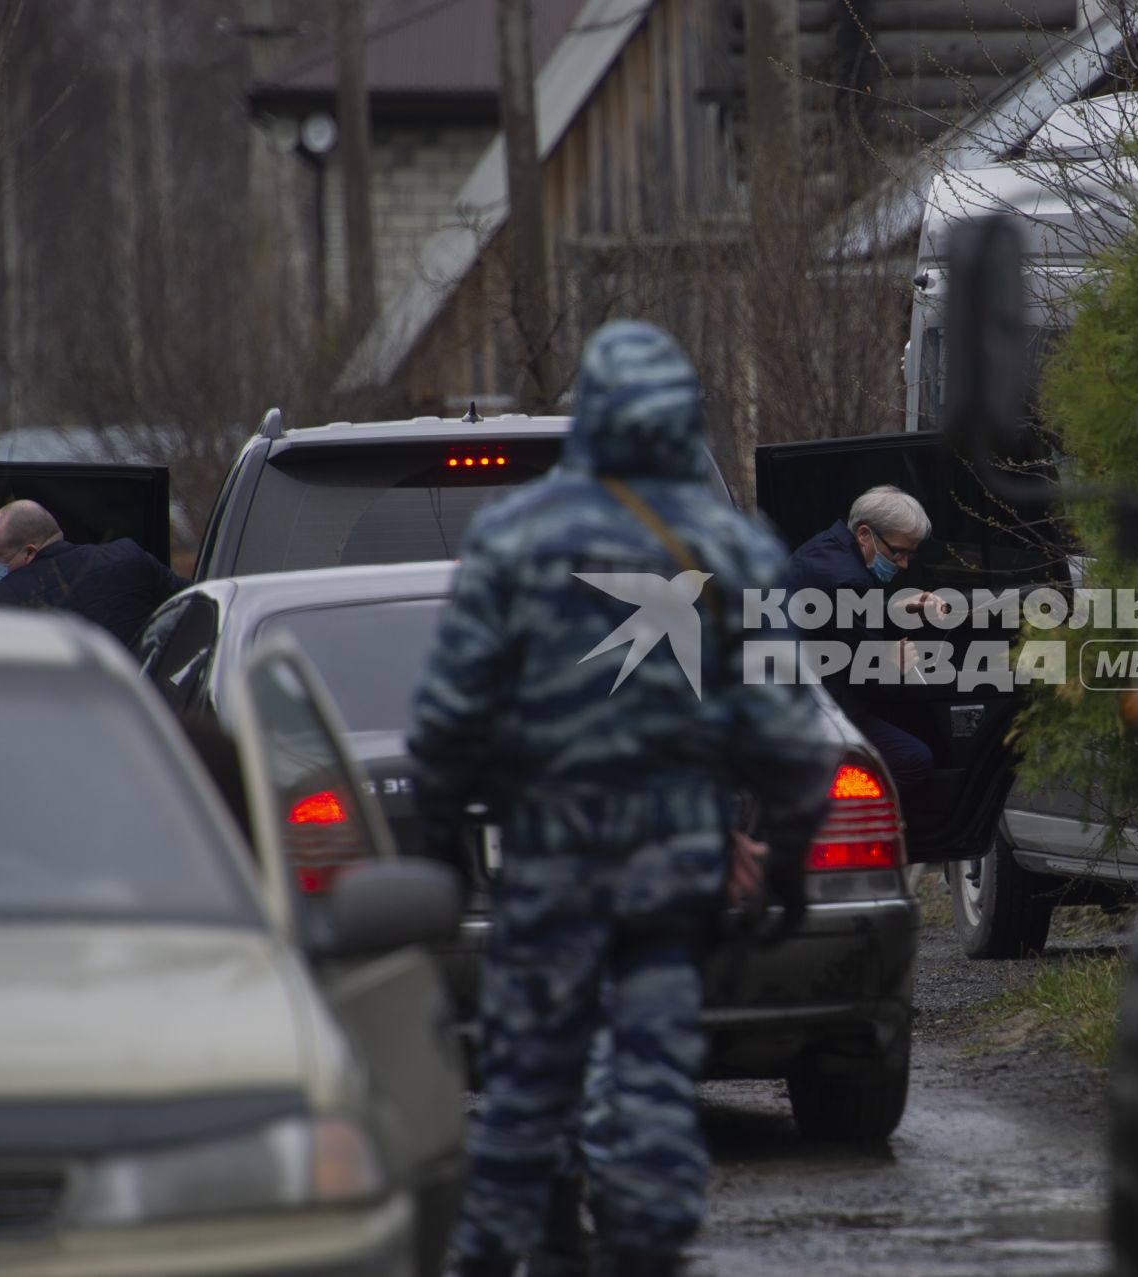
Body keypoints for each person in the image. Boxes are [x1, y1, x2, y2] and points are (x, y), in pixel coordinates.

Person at [408, 320, 835, 1277]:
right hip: (674, 866)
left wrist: (441, 839)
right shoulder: (731, 541)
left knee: (527, 1082)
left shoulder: (514, 535)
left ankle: (490, 1252)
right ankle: (643, 1241)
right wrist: (795, 853)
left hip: (549, 862)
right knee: (650, 1066)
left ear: (590, 415)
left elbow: (448, 714)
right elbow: (783, 727)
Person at [781, 485, 945, 797]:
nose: (904, 563)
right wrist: (892, 665)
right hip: (810, 708)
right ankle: (842, 826)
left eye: (909, 554)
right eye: (898, 552)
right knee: (913, 759)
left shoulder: (828, 548)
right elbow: (868, 678)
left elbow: (840, 621)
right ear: (864, 533)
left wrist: (897, 607)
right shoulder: (846, 579)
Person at [0, 500, 189, 645]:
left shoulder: (2, 601)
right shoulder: (130, 557)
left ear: (29, 552)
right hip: (143, 698)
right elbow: (197, 604)